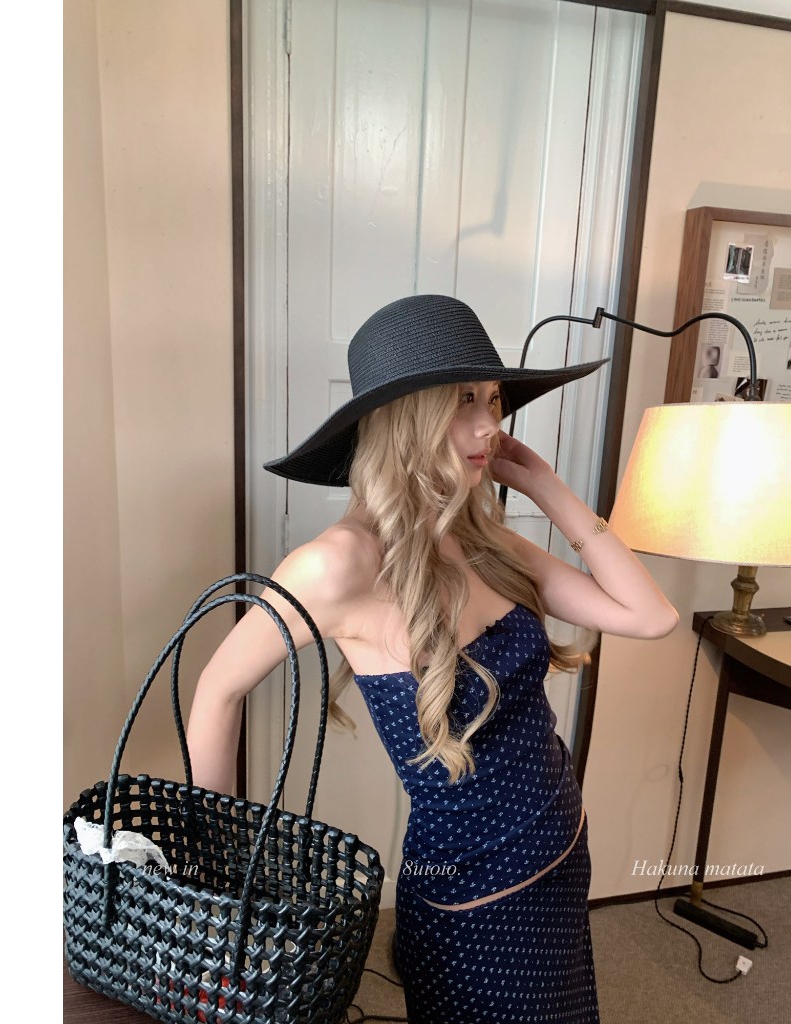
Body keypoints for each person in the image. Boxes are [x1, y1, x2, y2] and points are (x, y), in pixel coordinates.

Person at [186, 294, 679, 1024]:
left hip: (562, 842)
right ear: (401, 420)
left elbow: (651, 616)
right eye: (460, 401)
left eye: (493, 400)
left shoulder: (482, 538)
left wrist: (547, 488)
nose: (489, 426)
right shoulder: (335, 566)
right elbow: (217, 690)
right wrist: (219, 877)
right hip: (470, 890)